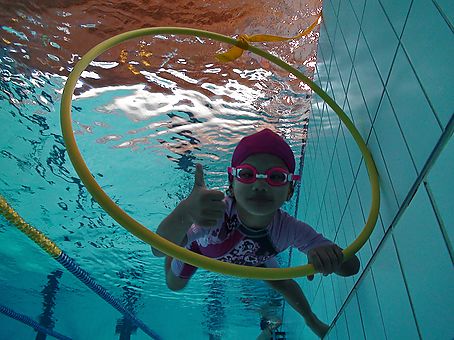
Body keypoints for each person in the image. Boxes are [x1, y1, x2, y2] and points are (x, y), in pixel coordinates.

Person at [151, 128, 360, 339]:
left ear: (290, 190)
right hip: (201, 251)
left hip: (257, 258)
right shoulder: (216, 215)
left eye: (276, 177)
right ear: (231, 184)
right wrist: (185, 212)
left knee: (282, 282)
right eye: (247, 174)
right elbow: (157, 250)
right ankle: (179, 243)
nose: (260, 184)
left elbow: (352, 267)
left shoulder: (288, 228)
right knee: (174, 284)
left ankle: (311, 319)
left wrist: (331, 259)